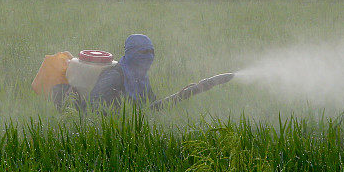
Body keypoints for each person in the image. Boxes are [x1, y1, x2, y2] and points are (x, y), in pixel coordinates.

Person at [52, 34, 233, 111]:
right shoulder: (116, 75)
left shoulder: (140, 78)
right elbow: (95, 105)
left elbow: (152, 107)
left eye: (151, 53)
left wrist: (187, 93)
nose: (148, 58)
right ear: (131, 53)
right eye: (143, 53)